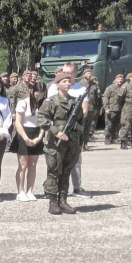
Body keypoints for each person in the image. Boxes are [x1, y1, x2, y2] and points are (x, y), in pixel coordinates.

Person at [38, 66, 83, 215]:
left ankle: (63, 200)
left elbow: (81, 121)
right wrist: (56, 132)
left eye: (69, 81)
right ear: (57, 84)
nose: (67, 83)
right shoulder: (51, 101)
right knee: (54, 171)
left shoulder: (74, 102)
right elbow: (41, 118)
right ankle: (52, 202)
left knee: (66, 171)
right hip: (55, 143)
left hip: (72, 141)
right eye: (64, 81)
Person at [11, 82, 46, 201]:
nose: (39, 97)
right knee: (23, 165)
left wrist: (39, 138)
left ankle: (30, 190)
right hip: (24, 133)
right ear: (32, 92)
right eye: (37, 95)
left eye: (41, 95)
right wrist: (26, 138)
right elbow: (18, 123)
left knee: (33, 164)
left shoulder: (45, 104)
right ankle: (20, 191)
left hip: (37, 133)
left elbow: (44, 123)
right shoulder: (23, 102)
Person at [102, 74, 124, 144]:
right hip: (111, 109)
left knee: (117, 125)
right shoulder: (110, 88)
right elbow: (105, 98)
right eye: (119, 79)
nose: (120, 80)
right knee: (109, 125)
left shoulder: (122, 88)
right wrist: (106, 108)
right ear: (115, 80)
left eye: (121, 79)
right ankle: (108, 138)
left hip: (119, 109)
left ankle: (115, 138)